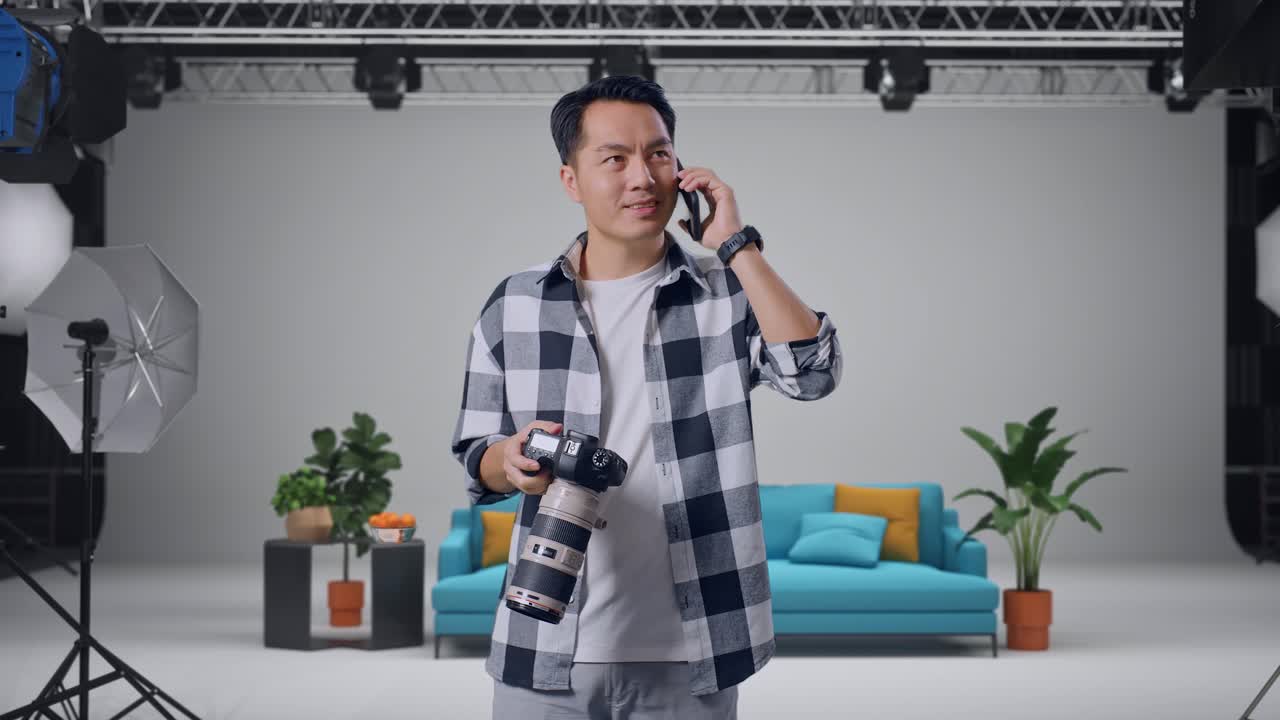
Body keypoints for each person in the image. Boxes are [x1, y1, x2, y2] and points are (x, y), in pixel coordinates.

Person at [450, 74, 843, 720]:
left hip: (695, 654)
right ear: (571, 181)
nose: (643, 176)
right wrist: (511, 458)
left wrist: (736, 246)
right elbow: (476, 457)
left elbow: (815, 372)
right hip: (544, 647)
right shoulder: (516, 304)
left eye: (659, 154)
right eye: (615, 158)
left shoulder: (726, 293)